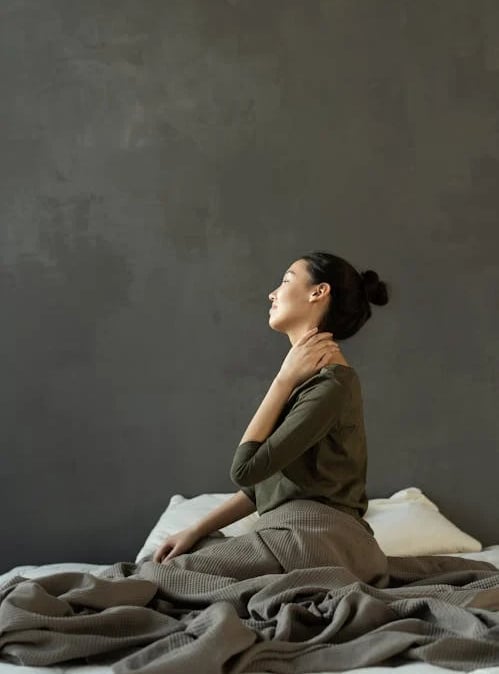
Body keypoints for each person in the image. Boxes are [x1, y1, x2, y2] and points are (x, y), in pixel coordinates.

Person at [149, 251, 397, 585]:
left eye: (286, 280)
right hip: (300, 535)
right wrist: (194, 530)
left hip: (316, 538)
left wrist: (282, 379)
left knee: (156, 579)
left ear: (318, 292)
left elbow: (243, 470)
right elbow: (261, 486)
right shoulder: (314, 380)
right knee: (182, 558)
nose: (273, 293)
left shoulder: (332, 385)